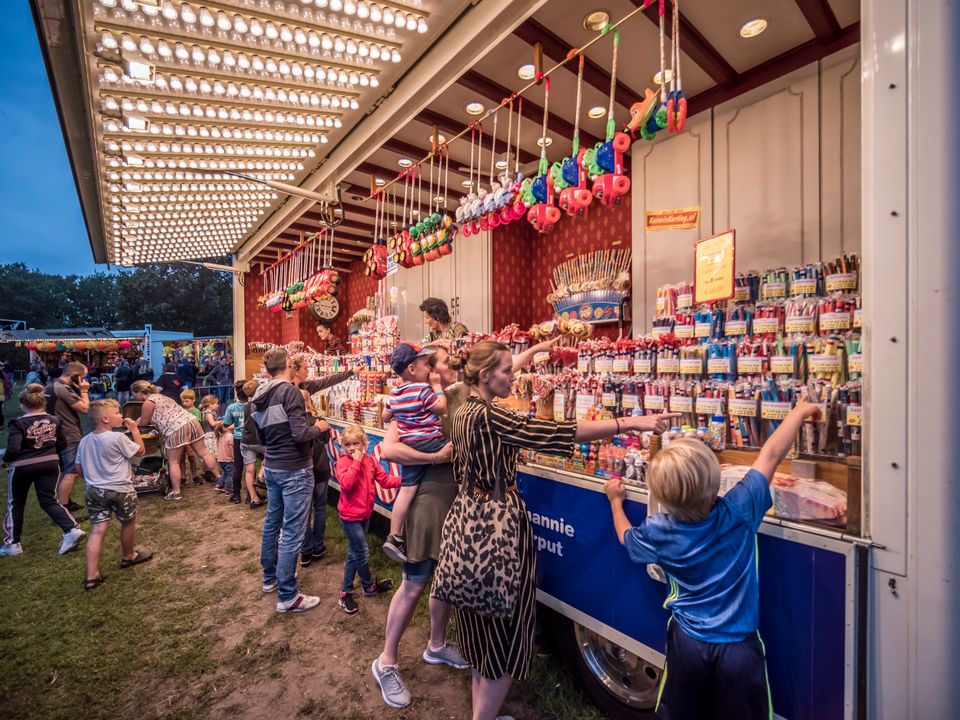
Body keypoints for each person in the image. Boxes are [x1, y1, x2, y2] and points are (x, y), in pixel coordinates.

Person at [436, 341, 675, 720]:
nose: (513, 376)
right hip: (496, 525)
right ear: (485, 376)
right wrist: (631, 422)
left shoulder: (464, 407)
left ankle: (481, 711)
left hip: (467, 516)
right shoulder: (493, 418)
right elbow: (556, 432)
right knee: (505, 628)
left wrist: (535, 350)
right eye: (506, 371)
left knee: (481, 624)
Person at [371, 338, 561, 710]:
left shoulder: (458, 395)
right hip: (429, 495)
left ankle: (437, 644)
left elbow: (505, 368)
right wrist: (436, 456)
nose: (442, 365)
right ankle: (387, 661)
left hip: (459, 503)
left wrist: (536, 351)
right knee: (417, 580)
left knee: (448, 582)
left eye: (438, 361)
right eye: (438, 361)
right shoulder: (416, 399)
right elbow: (389, 448)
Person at [604, 400, 822, 720]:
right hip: (738, 648)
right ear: (715, 480)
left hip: (687, 642)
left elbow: (627, 538)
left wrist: (615, 502)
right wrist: (800, 412)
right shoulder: (740, 508)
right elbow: (772, 453)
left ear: (661, 495)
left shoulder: (659, 530)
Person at [250, 348, 337, 613]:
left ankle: (270, 579)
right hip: (295, 468)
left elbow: (261, 437)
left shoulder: (258, 395)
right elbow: (301, 434)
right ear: (288, 364)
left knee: (272, 524)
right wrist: (320, 428)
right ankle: (288, 595)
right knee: (292, 531)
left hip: (274, 464)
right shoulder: (289, 391)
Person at [380, 343, 448, 563]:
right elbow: (440, 408)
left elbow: (385, 416)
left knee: (406, 491)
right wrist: (437, 387)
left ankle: (395, 536)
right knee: (460, 444)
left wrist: (397, 409)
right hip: (431, 442)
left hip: (410, 446)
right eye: (425, 365)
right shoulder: (422, 389)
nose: (429, 370)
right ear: (412, 369)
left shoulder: (395, 392)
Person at [1, 384, 85, 557]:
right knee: (49, 500)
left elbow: (14, 448)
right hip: (49, 463)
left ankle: (13, 543)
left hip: (23, 466)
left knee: (15, 502)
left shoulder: (18, 423)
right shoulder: (55, 420)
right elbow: (61, 444)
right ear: (44, 403)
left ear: (22, 405)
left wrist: (5, 460)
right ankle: (71, 529)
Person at [76, 399, 152, 590]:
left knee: (97, 530)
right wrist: (135, 429)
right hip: (120, 489)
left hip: (94, 490)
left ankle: (91, 575)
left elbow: (78, 467)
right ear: (105, 418)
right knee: (128, 522)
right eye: (117, 413)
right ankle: (129, 555)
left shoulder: (85, 440)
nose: (122, 416)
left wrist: (94, 477)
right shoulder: (117, 438)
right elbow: (140, 451)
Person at [289, 354, 350, 567]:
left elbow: (326, 381)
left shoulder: (295, 416)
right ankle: (318, 546)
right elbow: (324, 438)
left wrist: (350, 373)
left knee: (304, 510)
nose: (308, 370)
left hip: (301, 467)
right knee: (320, 507)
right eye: (305, 367)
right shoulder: (317, 420)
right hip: (318, 467)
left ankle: (306, 550)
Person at [335, 424, 399, 614]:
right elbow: (346, 484)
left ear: (364, 444)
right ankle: (361, 587)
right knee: (361, 552)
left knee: (354, 553)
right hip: (349, 517)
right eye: (348, 445)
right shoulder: (343, 463)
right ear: (343, 447)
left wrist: (407, 480)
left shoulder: (370, 461)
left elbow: (386, 481)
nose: (352, 448)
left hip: (365, 515)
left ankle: (355, 589)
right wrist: (356, 462)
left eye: (356, 443)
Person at [131, 380, 221, 500]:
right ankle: (220, 479)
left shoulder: (148, 403)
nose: (134, 396)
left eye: (133, 393)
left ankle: (176, 492)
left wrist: (132, 426)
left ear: (139, 392)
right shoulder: (162, 397)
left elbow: (143, 424)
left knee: (173, 461)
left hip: (176, 427)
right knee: (204, 452)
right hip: (191, 421)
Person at [47, 361, 90, 512]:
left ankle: (62, 501)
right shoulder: (63, 389)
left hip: (56, 433)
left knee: (64, 470)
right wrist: (84, 391)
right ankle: (63, 508)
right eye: (82, 377)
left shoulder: (51, 386)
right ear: (75, 376)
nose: (84, 381)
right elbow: (84, 408)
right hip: (68, 434)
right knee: (71, 472)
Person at [220, 380, 258, 506]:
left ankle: (236, 494)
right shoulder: (253, 406)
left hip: (238, 438)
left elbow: (225, 424)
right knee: (250, 467)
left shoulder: (232, 407)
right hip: (251, 438)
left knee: (237, 466)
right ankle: (250, 494)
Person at [180, 389, 205, 485]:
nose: (184, 403)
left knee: (191, 457)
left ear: (193, 400)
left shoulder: (196, 411)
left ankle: (194, 475)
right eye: (183, 401)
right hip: (182, 437)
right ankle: (183, 476)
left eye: (187, 401)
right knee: (181, 458)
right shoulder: (182, 411)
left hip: (191, 438)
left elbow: (197, 423)